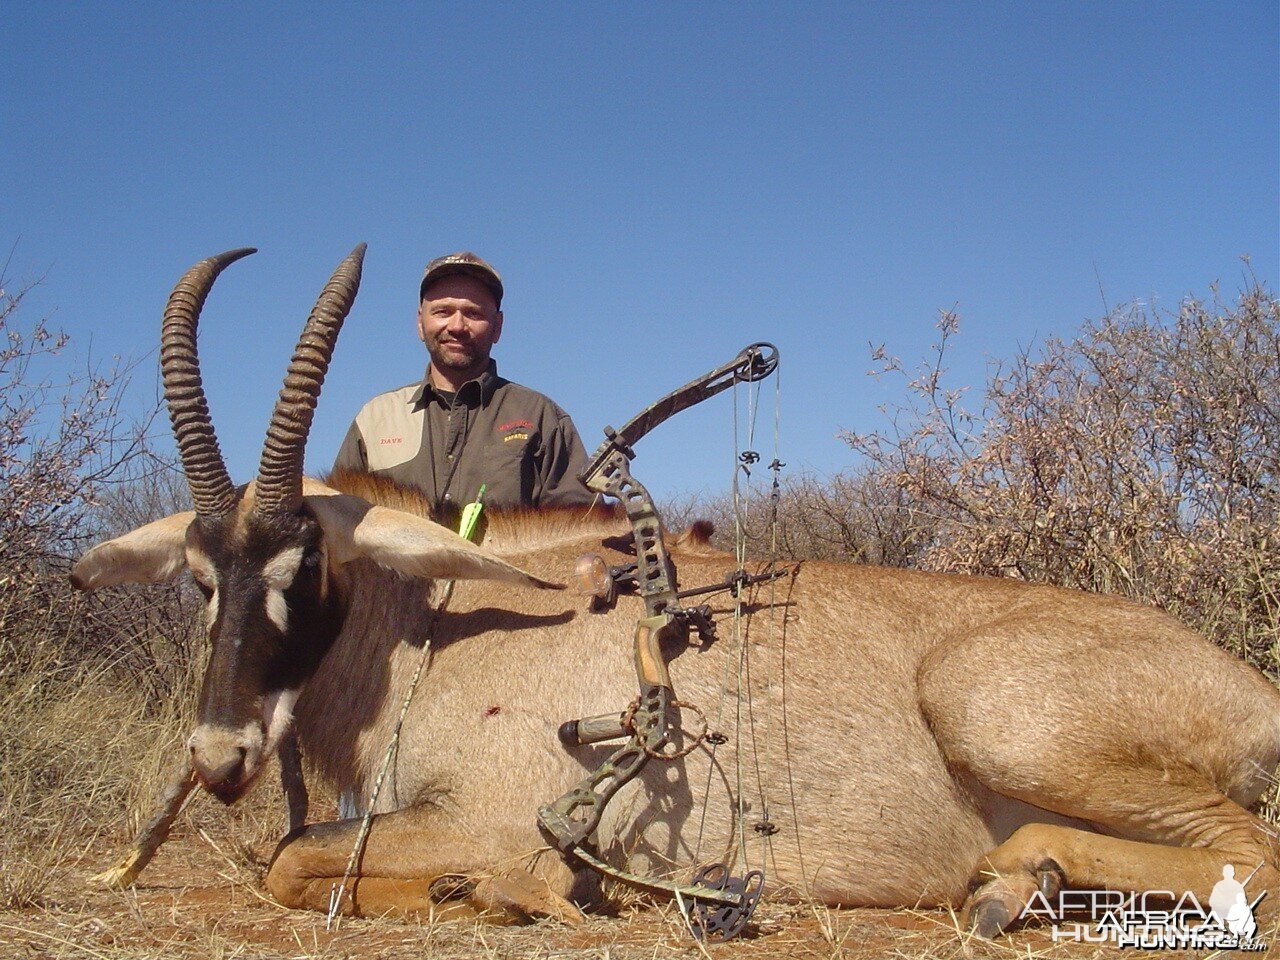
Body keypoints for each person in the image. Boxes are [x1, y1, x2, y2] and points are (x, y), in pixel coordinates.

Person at [333, 252, 593, 514]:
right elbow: (334, 524)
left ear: (498, 327)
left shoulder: (541, 416)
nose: (457, 326)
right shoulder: (374, 419)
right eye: (442, 311)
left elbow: (579, 531)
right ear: (420, 323)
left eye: (473, 313)